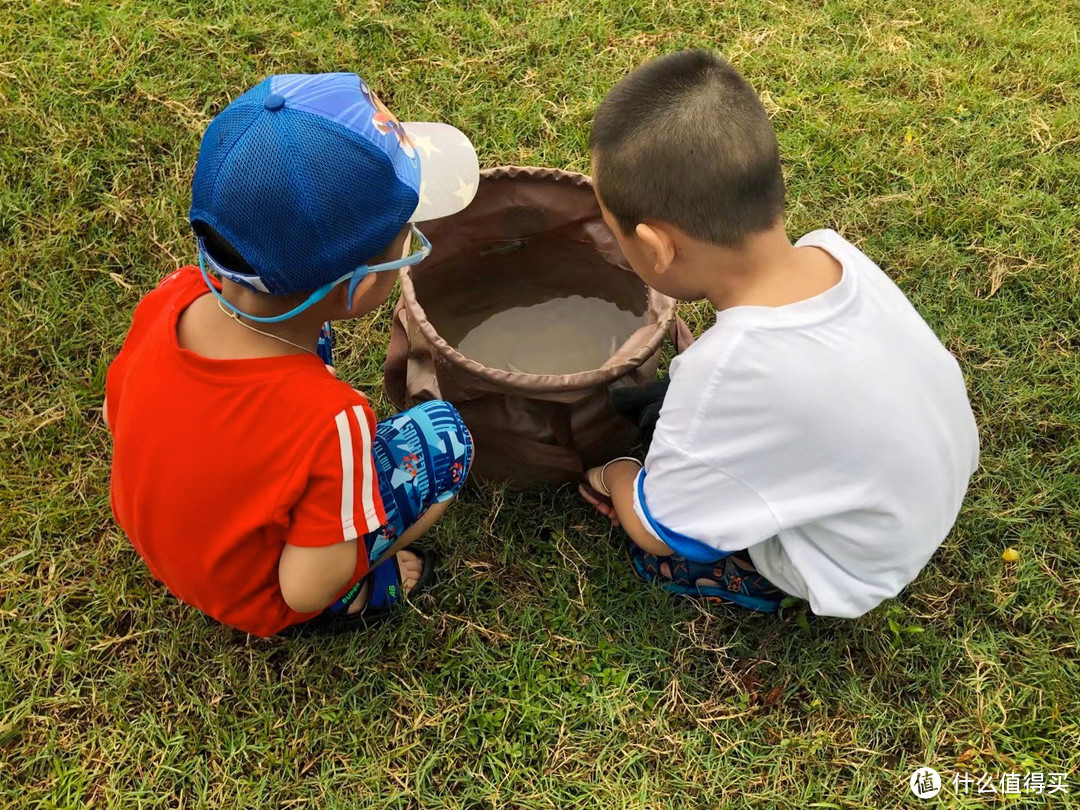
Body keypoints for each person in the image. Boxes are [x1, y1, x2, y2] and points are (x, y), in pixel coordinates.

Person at [579, 50, 979, 618]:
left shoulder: (724, 375)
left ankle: (760, 581)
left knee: (652, 550)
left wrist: (617, 472)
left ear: (656, 247)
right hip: (923, 492)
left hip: (856, 565)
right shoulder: (833, 252)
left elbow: (658, 528)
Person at [105, 72, 480, 636]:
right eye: (406, 237)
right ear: (358, 286)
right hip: (256, 593)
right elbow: (303, 584)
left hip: (163, 538)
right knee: (446, 436)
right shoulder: (335, 422)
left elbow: (117, 416)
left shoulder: (171, 297)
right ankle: (358, 597)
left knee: (304, 352)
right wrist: (347, 555)